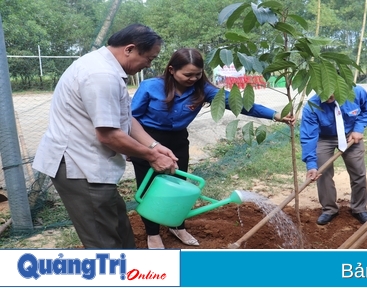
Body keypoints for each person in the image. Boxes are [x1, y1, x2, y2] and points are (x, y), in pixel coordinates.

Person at [131, 48, 295, 249]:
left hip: (178, 140)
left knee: (179, 184)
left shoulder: (204, 90)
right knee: (148, 187)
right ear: (172, 70)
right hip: (146, 139)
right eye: (187, 75)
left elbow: (241, 104)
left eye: (197, 74)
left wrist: (274, 115)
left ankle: (177, 226)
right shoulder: (150, 87)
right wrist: (133, 148)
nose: (193, 79)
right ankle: (153, 233)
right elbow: (130, 118)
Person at [32, 24, 178, 248]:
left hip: (90, 166)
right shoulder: (101, 75)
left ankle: (130, 274)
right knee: (104, 243)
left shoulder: (106, 68)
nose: (148, 65)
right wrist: (152, 156)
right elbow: (108, 135)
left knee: (118, 228)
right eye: (149, 58)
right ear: (129, 49)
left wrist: (153, 144)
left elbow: (124, 117)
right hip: (80, 168)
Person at [300, 86, 367, 225]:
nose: (327, 97)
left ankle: (359, 208)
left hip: (350, 134)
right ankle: (329, 209)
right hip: (324, 137)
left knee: (358, 172)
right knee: (322, 172)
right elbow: (309, 136)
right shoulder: (312, 106)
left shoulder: (356, 92)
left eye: (331, 92)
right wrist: (311, 164)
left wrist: (358, 128)